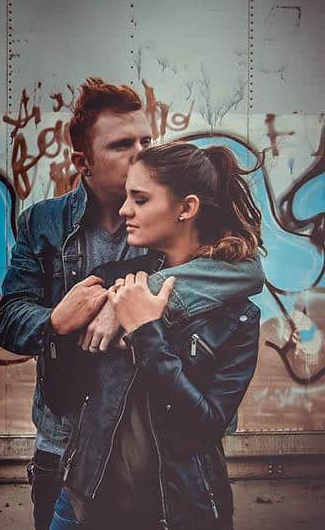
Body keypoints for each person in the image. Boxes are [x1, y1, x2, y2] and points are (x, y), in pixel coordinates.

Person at [0, 77, 265, 530]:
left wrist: (128, 305)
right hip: (68, 452)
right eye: (122, 145)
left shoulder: (165, 222)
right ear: (83, 162)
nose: (140, 153)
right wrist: (56, 320)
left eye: (145, 140)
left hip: (159, 465)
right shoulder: (45, 223)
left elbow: (243, 270)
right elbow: (9, 319)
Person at [51, 142, 264, 529]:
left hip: (182, 511)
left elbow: (205, 426)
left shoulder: (237, 319)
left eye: (141, 199)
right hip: (84, 505)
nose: (124, 210)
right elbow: (61, 396)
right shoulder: (116, 281)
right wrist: (58, 329)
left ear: (186, 208)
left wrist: (146, 333)